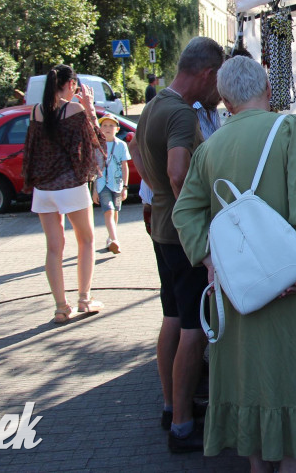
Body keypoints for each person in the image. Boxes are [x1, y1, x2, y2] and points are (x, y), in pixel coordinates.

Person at [173, 56, 296, 473]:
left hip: (237, 289)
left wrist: (211, 260)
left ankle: (257, 463)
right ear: (268, 88)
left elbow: (184, 212)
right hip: (290, 281)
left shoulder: (209, 147)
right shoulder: (288, 128)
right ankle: (291, 463)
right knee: (289, 378)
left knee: (249, 380)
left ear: (226, 99)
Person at [130, 36, 225, 453]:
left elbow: (136, 152)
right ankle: (183, 426)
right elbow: (176, 172)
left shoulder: (153, 104)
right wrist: (198, 212)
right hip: (183, 235)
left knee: (172, 316)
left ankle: (173, 406)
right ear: (205, 74)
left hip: (161, 231)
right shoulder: (183, 115)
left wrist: (159, 197)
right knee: (194, 328)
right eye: (217, 80)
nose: (217, 91)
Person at [23, 64, 106, 323]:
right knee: (87, 241)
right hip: (70, 185)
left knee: (53, 248)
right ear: (71, 85)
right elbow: (96, 141)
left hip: (44, 189)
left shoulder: (37, 111)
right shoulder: (74, 109)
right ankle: (84, 299)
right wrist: (89, 108)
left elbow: (32, 149)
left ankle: (60, 307)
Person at [92, 114, 130, 254]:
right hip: (102, 185)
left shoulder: (121, 145)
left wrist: (125, 187)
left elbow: (125, 166)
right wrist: (95, 190)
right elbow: (95, 168)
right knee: (108, 210)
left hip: (118, 185)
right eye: (104, 125)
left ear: (117, 129)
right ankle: (115, 240)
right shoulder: (97, 145)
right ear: (100, 129)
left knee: (115, 211)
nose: (107, 128)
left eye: (111, 125)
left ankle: (110, 237)